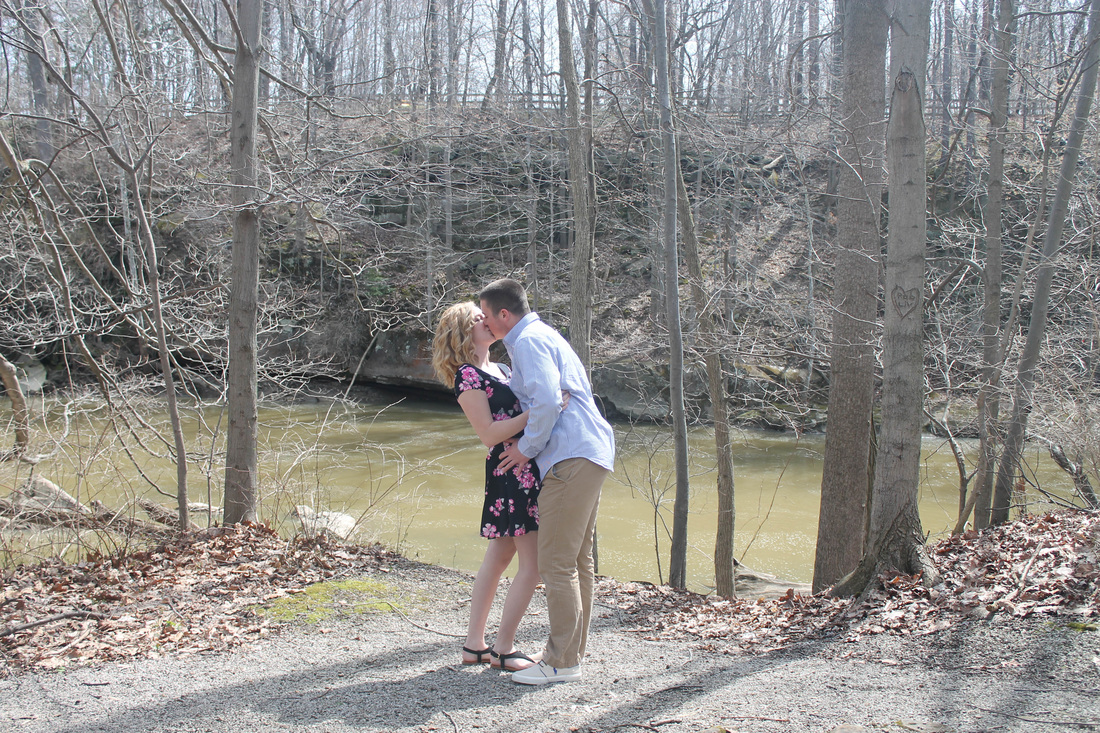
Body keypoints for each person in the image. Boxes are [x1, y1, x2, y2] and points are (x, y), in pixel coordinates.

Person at [478, 278, 615, 685]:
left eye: (486, 315)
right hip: (588, 451)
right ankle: (569, 653)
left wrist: (525, 449)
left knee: (556, 562)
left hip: (569, 456)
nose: (485, 322)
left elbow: (549, 401)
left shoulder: (529, 342)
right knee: (577, 560)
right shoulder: (542, 335)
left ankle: (561, 662)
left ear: (504, 314)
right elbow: (552, 397)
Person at [431, 301, 552, 672]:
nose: (486, 320)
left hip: (523, 465)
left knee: (499, 557)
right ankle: (503, 648)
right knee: (533, 565)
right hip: (510, 470)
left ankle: (475, 646)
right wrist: (539, 411)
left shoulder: (502, 369)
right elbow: (488, 434)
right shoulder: (466, 376)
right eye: (477, 318)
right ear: (463, 331)